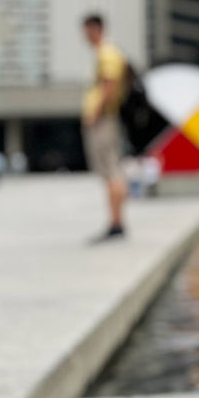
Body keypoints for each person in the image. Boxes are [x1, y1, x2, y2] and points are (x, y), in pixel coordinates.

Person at [80, 13, 129, 240]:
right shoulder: (107, 53)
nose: (84, 35)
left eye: (86, 30)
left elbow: (109, 86)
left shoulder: (107, 53)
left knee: (111, 171)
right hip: (106, 118)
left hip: (104, 120)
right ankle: (116, 221)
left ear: (94, 29)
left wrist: (95, 114)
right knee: (111, 170)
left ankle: (116, 223)